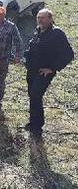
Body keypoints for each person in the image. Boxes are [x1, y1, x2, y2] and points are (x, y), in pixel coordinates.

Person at [23, 9, 74, 139]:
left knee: (35, 94)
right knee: (33, 96)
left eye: (43, 17)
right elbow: (32, 48)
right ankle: (34, 122)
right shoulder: (38, 31)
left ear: (50, 19)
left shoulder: (57, 33)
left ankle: (37, 127)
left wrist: (53, 68)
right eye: (38, 17)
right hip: (32, 70)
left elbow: (68, 54)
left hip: (44, 72)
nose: (40, 20)